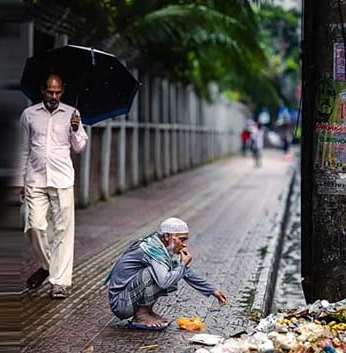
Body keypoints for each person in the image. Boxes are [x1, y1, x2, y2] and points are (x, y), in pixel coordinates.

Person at [17, 74, 88, 299]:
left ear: (62, 91)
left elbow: (80, 147)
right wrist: (18, 181)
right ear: (42, 90)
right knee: (35, 226)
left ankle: (60, 282)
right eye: (50, 92)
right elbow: (22, 148)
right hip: (35, 179)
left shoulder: (72, 114)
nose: (54, 96)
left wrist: (76, 129)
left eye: (57, 92)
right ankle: (48, 266)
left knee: (63, 231)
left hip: (62, 179)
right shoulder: (29, 115)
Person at [105, 218, 228, 330]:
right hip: (121, 304)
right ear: (167, 236)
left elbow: (185, 272)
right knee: (164, 274)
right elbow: (164, 282)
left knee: (173, 270)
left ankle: (147, 311)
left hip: (127, 298)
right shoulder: (152, 250)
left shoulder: (159, 248)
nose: (184, 244)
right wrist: (183, 264)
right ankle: (141, 316)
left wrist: (212, 290)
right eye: (182, 239)